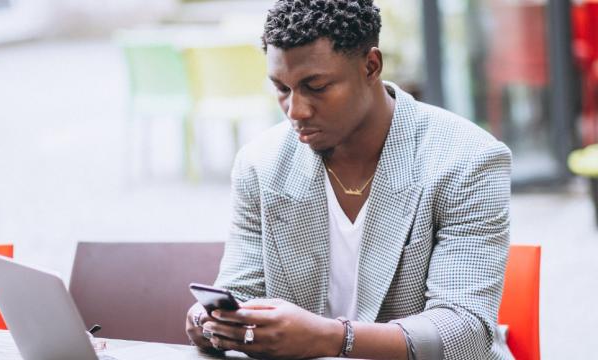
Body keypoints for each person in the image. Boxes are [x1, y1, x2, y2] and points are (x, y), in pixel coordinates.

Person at [186, 0, 513, 359]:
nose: (296, 111)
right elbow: (240, 291)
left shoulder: (466, 159)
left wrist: (333, 338)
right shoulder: (260, 165)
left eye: (317, 86)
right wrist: (213, 323)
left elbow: (465, 330)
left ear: (371, 66)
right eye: (282, 88)